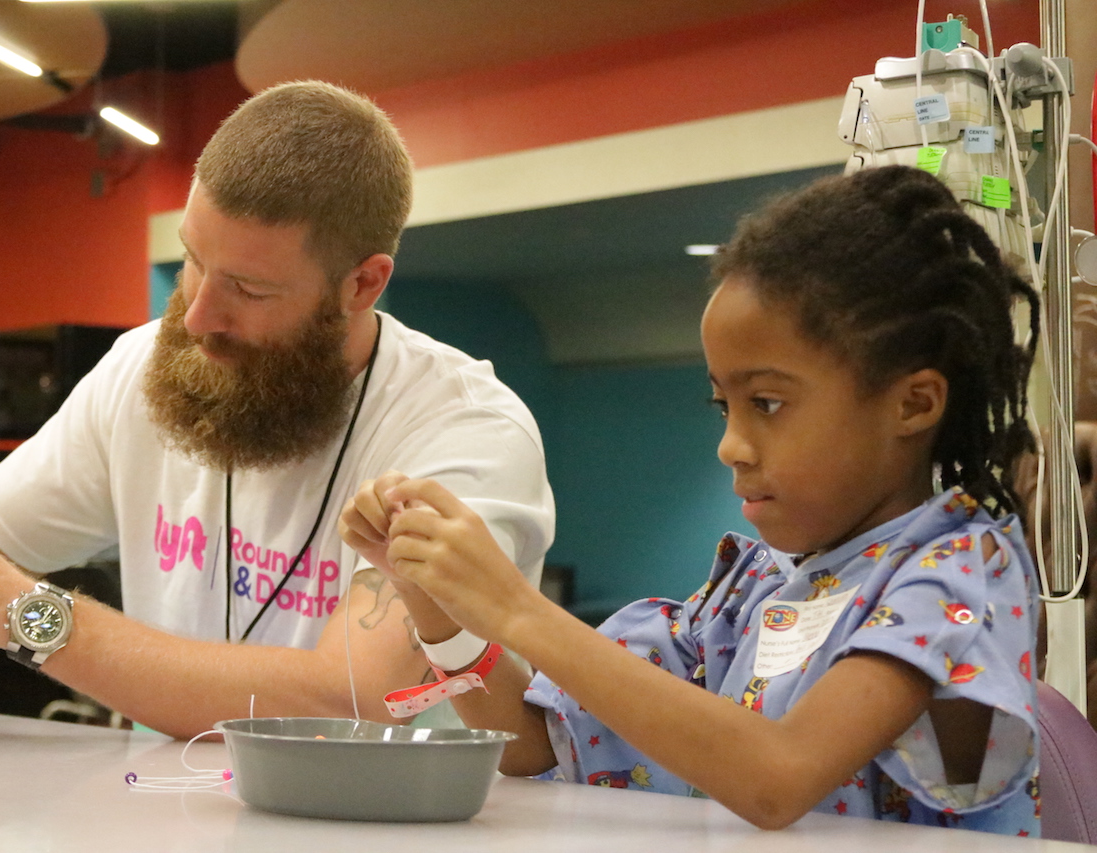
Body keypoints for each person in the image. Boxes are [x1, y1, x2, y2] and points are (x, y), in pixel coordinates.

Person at [0, 81, 553, 739]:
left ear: (363, 284)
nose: (199, 316)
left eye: (250, 290)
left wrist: (27, 615)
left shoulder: (466, 433)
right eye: (193, 259)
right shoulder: (141, 368)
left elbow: (352, 703)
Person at [341, 166, 1042, 834]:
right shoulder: (753, 589)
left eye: (767, 402)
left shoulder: (957, 569)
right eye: (724, 406)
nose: (731, 444)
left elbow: (780, 775)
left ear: (912, 404)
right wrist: (435, 602)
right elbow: (532, 743)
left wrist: (517, 608)